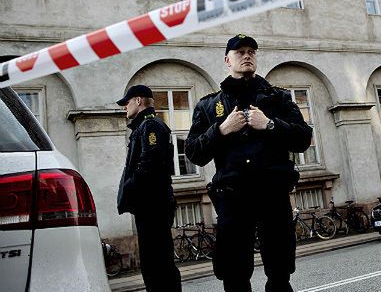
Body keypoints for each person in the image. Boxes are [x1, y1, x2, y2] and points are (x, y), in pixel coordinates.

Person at [185, 34, 312, 292]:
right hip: (233, 199)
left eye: (251, 51)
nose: (247, 55)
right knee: (234, 275)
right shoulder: (209, 106)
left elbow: (303, 138)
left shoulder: (279, 98)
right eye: (240, 51)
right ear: (227, 60)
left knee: (279, 272)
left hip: (272, 195)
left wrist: (270, 124)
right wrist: (220, 130)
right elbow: (194, 153)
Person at [116, 85, 181, 292]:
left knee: (158, 264)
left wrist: (129, 187)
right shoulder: (143, 126)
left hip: (154, 205)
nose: (124, 107)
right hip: (149, 205)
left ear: (138, 101)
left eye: (126, 102)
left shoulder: (151, 125)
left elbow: (149, 163)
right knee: (153, 264)